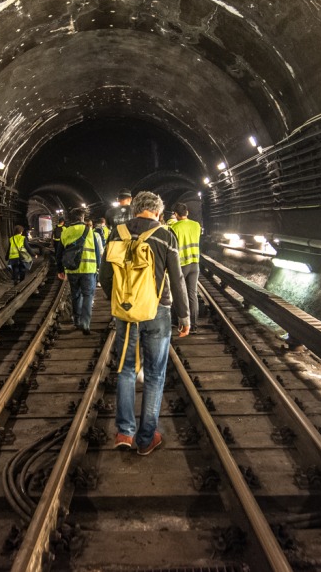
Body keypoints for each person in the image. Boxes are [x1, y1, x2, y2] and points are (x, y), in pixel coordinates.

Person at [100, 191, 190, 456]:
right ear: (158, 212)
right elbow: (177, 280)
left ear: (135, 209)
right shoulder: (165, 235)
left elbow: (105, 275)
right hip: (158, 312)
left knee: (126, 370)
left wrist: (119, 301)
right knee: (154, 374)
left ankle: (124, 432)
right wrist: (184, 316)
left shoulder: (117, 233)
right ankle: (146, 437)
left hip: (126, 313)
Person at [56, 208, 103, 335]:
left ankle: (76, 321)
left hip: (72, 270)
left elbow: (59, 253)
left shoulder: (65, 232)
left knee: (75, 294)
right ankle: (85, 323)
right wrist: (98, 267)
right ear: (82, 218)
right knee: (88, 295)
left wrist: (60, 269)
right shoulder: (89, 231)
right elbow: (97, 251)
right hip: (88, 269)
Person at [170, 202, 202, 331]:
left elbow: (173, 247)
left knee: (178, 293)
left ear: (176, 214)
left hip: (182, 264)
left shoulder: (174, 227)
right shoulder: (196, 225)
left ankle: (176, 320)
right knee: (192, 294)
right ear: (187, 212)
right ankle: (193, 324)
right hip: (195, 263)